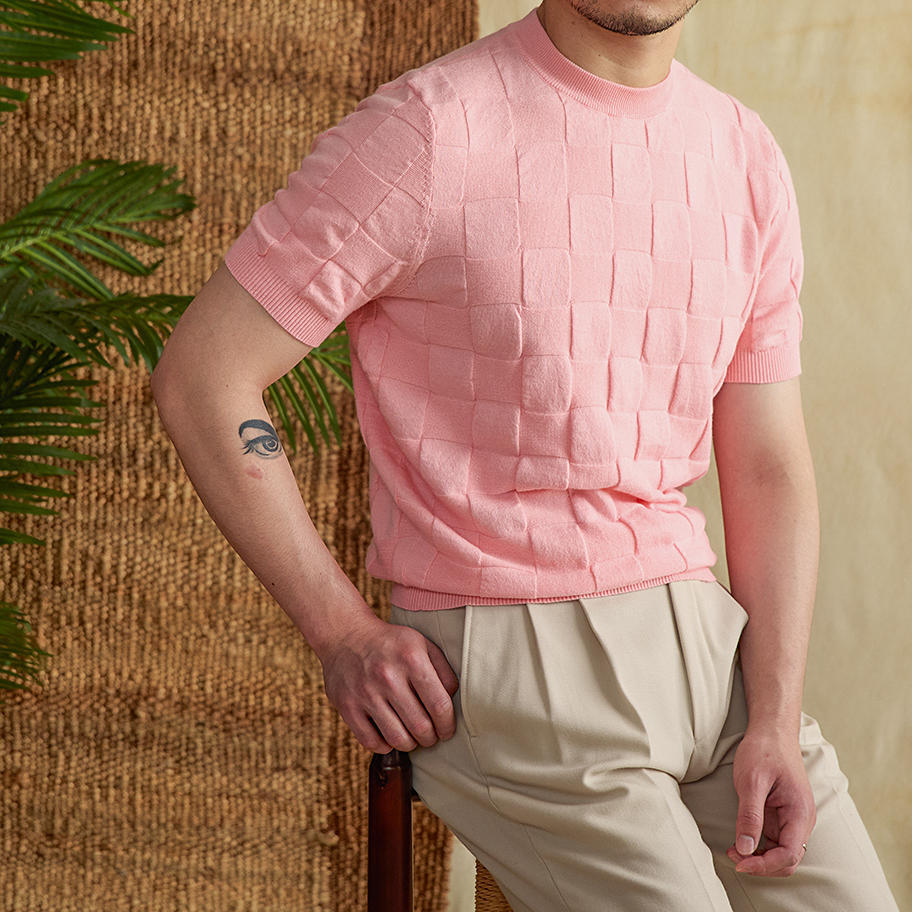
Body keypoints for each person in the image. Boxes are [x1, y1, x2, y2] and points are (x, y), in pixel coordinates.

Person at [149, 1, 901, 909]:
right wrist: (340, 631)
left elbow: (768, 461)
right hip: (512, 653)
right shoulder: (426, 130)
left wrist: (774, 714)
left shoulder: (745, 156)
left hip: (713, 648)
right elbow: (204, 374)